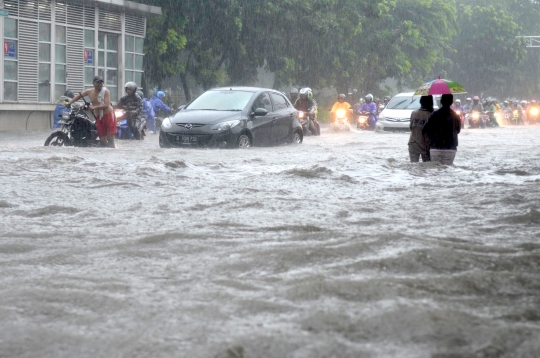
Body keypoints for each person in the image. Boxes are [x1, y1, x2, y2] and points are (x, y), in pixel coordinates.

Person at [66, 76, 116, 148]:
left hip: (108, 115)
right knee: (102, 139)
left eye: (101, 82)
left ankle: (112, 151)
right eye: (97, 82)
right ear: (93, 83)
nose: (99, 84)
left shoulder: (106, 91)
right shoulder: (89, 91)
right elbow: (78, 96)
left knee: (110, 138)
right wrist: (69, 103)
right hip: (99, 116)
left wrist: (94, 107)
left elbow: (106, 105)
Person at [422, 94, 461, 165]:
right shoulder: (456, 116)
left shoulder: (433, 115)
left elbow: (425, 129)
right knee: (447, 171)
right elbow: (458, 131)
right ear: (452, 102)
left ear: (441, 101)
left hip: (435, 147)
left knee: (435, 171)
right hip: (450, 147)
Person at [408, 96, 433, 163]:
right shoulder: (431, 115)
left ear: (420, 102)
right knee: (426, 168)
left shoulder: (414, 113)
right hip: (426, 145)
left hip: (413, 143)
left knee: (413, 167)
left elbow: (411, 127)